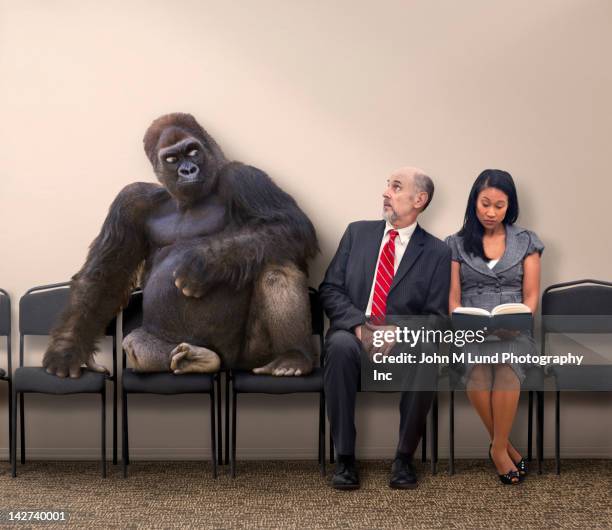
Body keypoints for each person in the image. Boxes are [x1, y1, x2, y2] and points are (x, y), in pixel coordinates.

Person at [319, 167, 451, 490]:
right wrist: (359, 326)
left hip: (402, 345)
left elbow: (436, 318)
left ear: (419, 199)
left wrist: (399, 331)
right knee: (338, 346)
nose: (385, 193)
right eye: (387, 186)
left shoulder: (437, 252)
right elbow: (330, 289)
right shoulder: (356, 234)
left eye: (395, 187)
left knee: (429, 352)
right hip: (353, 337)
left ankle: (404, 459)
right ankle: (345, 459)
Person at [445, 169, 544, 485]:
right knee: (478, 367)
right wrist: (468, 325)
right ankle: (504, 448)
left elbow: (531, 296)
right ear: (474, 200)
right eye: (485, 203)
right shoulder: (455, 244)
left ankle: (497, 447)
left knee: (504, 364)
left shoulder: (527, 241)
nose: (490, 212)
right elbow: (452, 299)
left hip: (514, 328)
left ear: (509, 206)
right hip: (470, 327)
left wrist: (516, 323)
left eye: (499, 205)